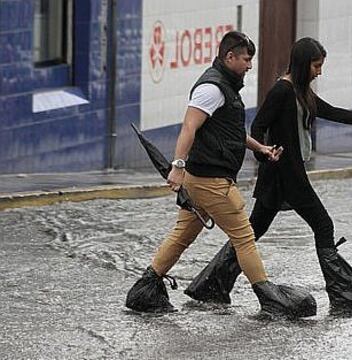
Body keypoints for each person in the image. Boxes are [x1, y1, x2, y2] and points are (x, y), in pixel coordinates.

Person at [185, 37, 352, 314]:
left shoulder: (301, 92)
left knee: (253, 230)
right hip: (285, 173)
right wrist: (263, 153)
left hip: (286, 173)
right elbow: (258, 125)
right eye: (316, 66)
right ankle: (346, 295)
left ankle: (209, 286)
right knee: (323, 225)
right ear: (303, 63)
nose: (319, 72)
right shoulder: (282, 90)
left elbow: (335, 113)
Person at [125, 31, 316, 318]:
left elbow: (230, 130)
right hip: (211, 181)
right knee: (244, 236)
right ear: (229, 57)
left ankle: (146, 289)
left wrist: (260, 148)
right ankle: (269, 298)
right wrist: (177, 166)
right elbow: (189, 127)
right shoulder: (211, 88)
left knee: (182, 236)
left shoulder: (225, 88)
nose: (250, 65)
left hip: (201, 180)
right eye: (246, 59)